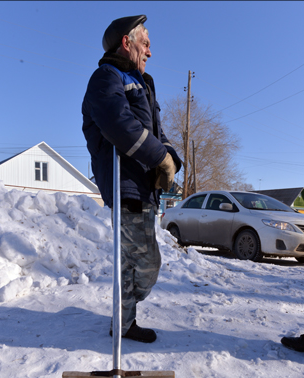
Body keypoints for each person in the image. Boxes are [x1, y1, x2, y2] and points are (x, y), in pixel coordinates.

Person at [82, 15, 181, 343]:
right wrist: (158, 157)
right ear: (127, 42)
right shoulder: (106, 78)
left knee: (130, 265)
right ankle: (123, 315)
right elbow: (119, 123)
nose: (150, 52)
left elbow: (157, 131)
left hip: (143, 188)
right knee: (147, 264)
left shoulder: (142, 84)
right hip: (126, 185)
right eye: (146, 44)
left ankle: (123, 323)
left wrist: (170, 159)